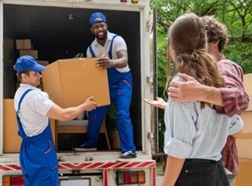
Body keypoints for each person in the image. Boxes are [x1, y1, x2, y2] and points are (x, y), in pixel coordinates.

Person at [148, 13, 243, 186]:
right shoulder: (216, 80)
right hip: (216, 172)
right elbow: (236, 124)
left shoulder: (182, 85)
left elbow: (180, 147)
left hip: (190, 175)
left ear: (172, 49)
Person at [13, 55, 98, 186]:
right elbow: (64, 115)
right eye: (35, 74)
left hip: (28, 152)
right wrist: (84, 106)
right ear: (24, 77)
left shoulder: (19, 93)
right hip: (41, 152)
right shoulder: (36, 96)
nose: (40, 76)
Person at [75, 11, 137, 161]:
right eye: (96, 26)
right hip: (104, 85)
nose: (100, 28)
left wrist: (111, 63)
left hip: (123, 83)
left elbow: (124, 60)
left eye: (102, 25)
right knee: (95, 112)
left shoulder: (117, 40)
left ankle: (129, 150)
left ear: (106, 25)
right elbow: (92, 72)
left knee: (122, 113)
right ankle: (90, 144)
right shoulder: (91, 49)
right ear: (92, 30)